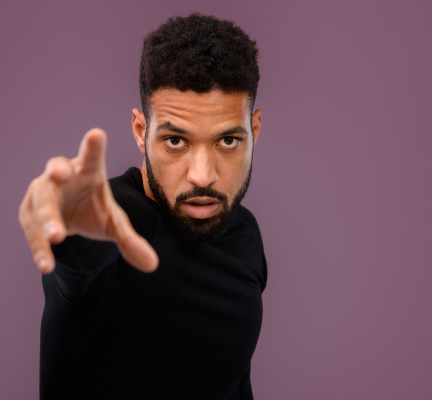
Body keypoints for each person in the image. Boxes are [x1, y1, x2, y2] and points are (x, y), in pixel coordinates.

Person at [18, 13, 267, 400]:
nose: (202, 176)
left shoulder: (244, 234)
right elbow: (81, 251)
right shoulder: (113, 222)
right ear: (140, 131)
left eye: (228, 142)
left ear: (254, 131)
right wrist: (66, 219)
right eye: (175, 141)